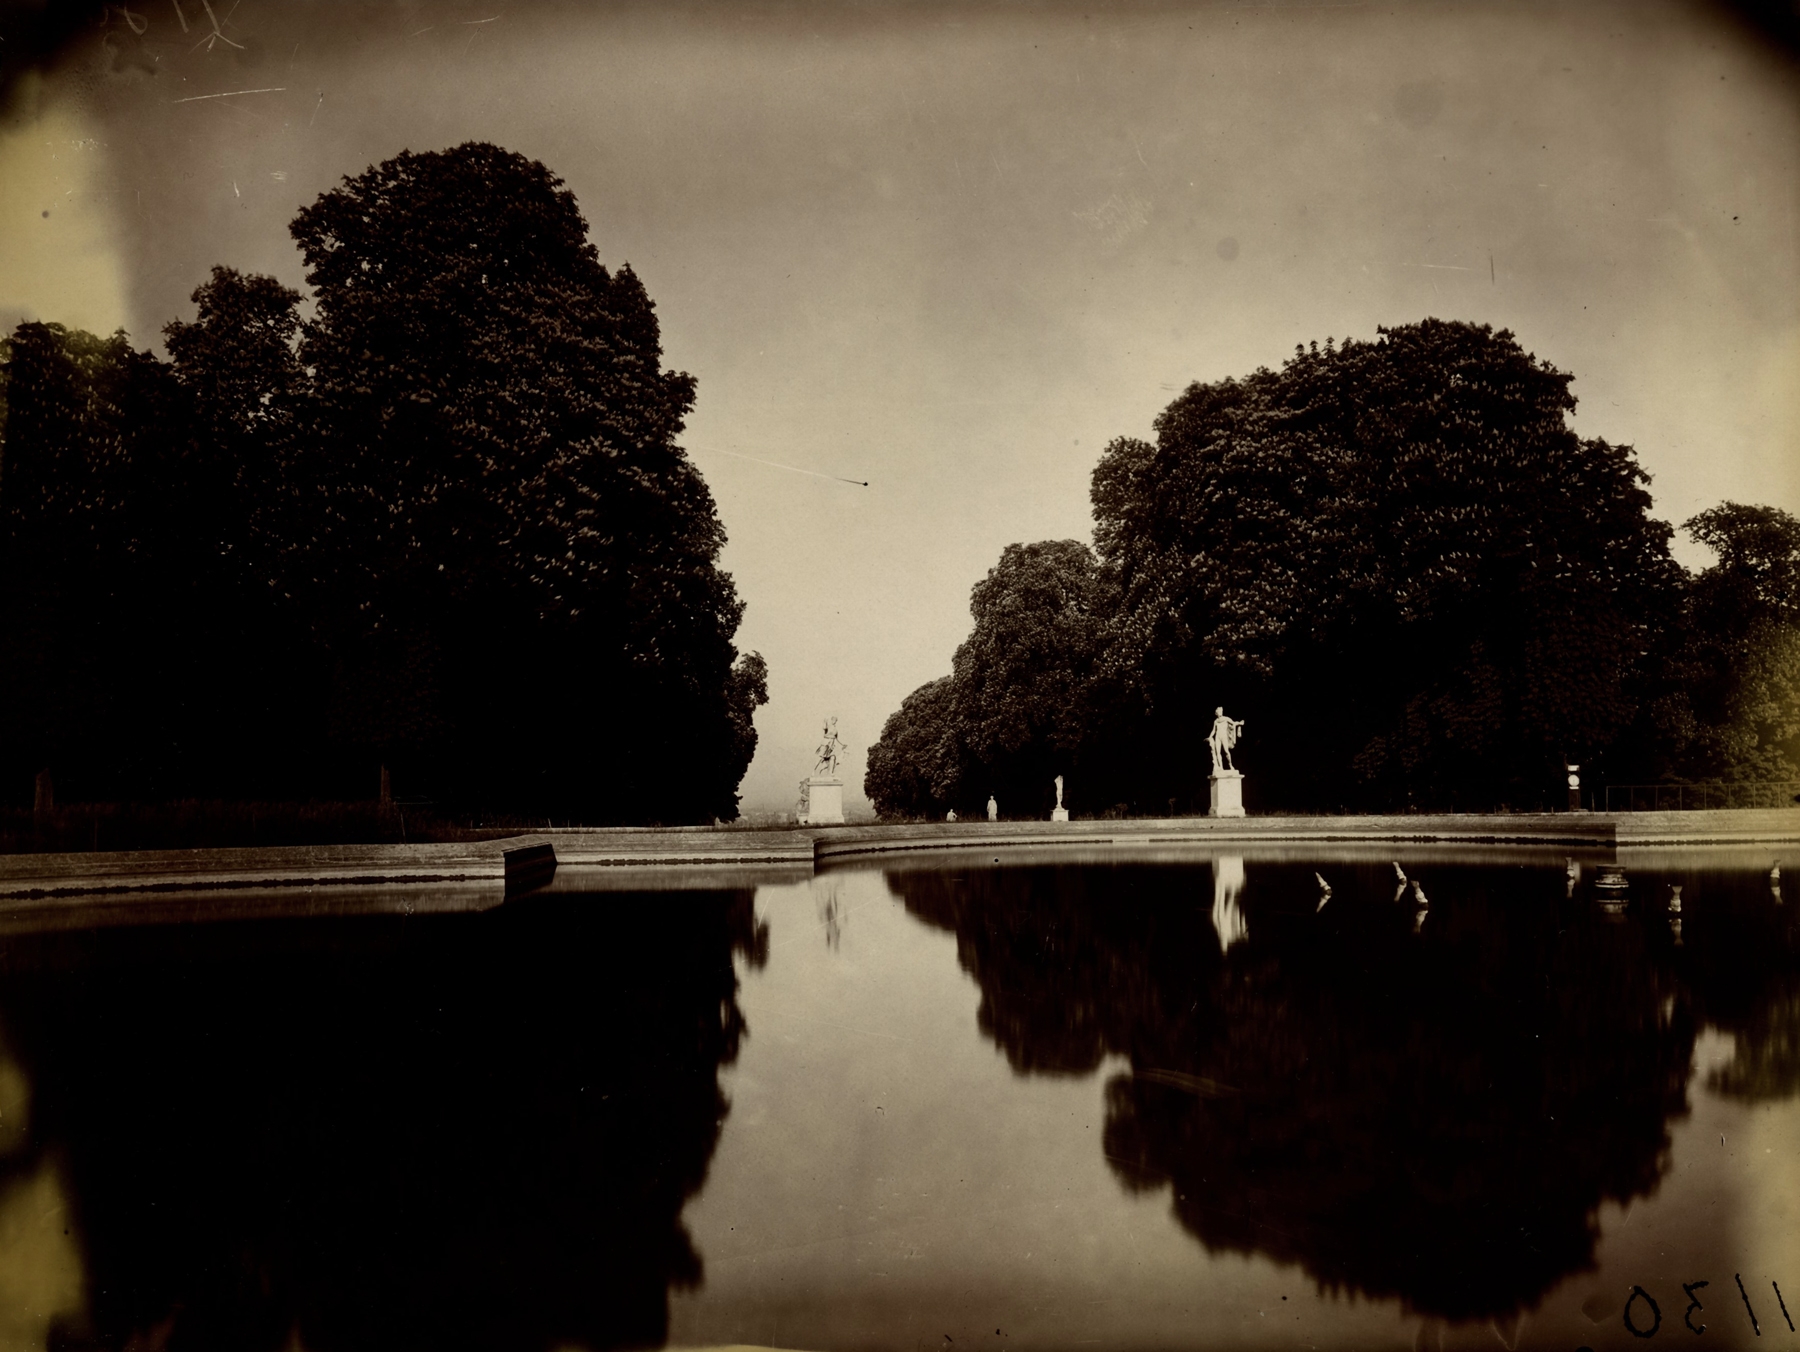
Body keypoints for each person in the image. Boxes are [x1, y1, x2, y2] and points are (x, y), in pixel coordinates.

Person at [1206, 707, 1245, 774]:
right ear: (1217, 713)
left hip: (1224, 736)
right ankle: (1221, 767)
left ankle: (1230, 765)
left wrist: (1239, 723)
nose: (1220, 712)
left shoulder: (1226, 719)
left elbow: (1233, 723)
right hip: (1217, 736)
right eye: (1219, 711)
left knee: (1226, 751)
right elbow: (1213, 730)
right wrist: (1210, 737)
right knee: (1218, 752)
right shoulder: (1215, 721)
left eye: (1221, 711)